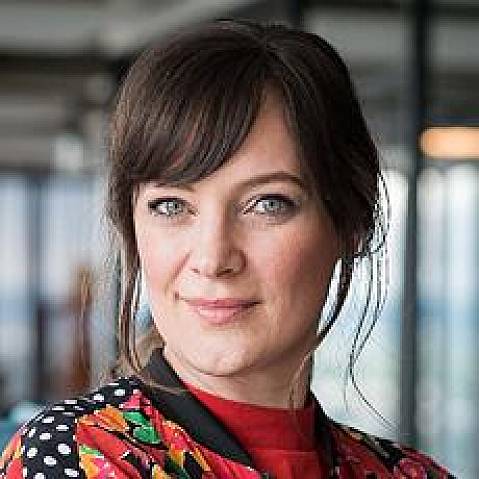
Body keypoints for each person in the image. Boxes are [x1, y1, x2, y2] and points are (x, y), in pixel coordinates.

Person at [0, 19, 454, 479]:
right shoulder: (79, 455)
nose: (213, 259)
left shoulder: (411, 473)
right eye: (171, 205)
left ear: (351, 223)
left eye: (267, 203)